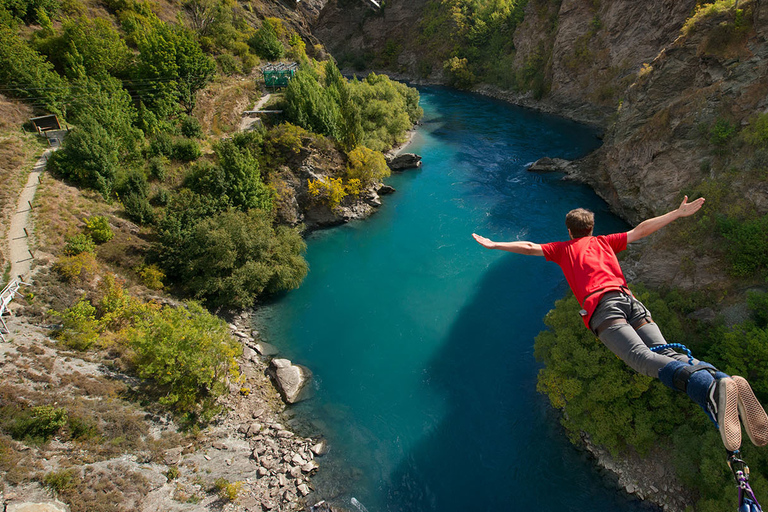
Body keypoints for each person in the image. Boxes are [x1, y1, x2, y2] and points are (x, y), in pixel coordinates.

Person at [472, 196, 768, 452]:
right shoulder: (605, 242)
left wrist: (495, 244)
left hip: (603, 307)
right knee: (668, 353)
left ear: (569, 231)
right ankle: (719, 378)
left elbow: (529, 246)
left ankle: (709, 390)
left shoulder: (563, 249)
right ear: (591, 228)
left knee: (641, 359)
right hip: (631, 301)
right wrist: (677, 213)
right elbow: (641, 230)